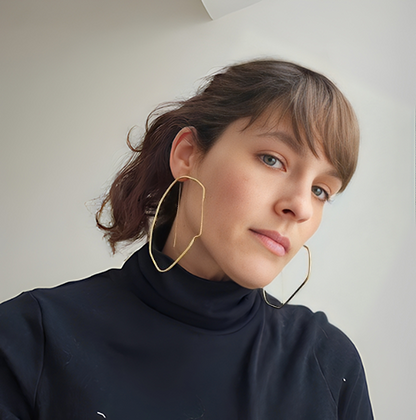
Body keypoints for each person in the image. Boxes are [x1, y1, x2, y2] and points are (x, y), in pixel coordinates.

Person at [0, 60, 373, 419]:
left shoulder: (330, 363)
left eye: (321, 190)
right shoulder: (28, 339)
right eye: (272, 160)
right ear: (188, 154)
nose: (300, 206)